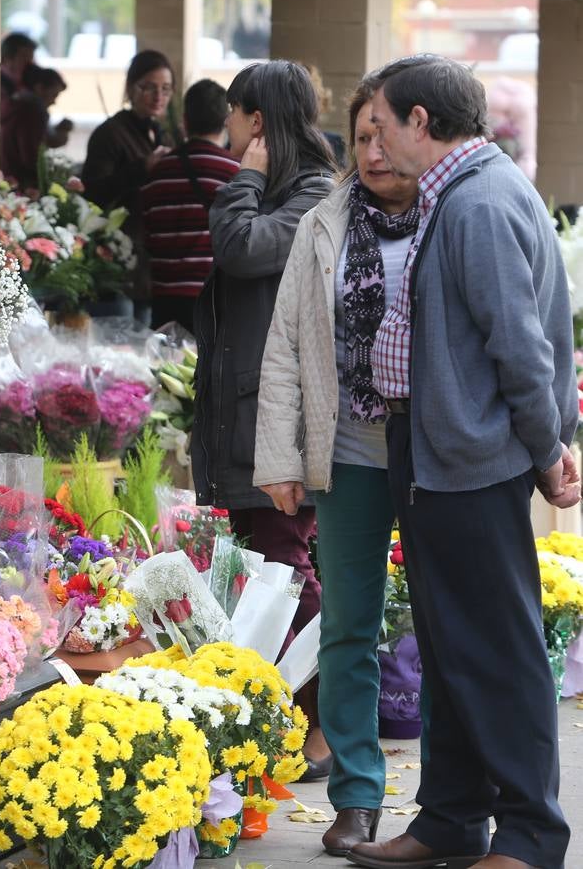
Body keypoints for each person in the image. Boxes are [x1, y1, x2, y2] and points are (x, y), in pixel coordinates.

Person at [348, 55, 577, 869]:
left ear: (421, 121)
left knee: (497, 649)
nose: (372, 139)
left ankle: (530, 836)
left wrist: (549, 447)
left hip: (469, 456)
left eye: (380, 123)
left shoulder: (477, 202)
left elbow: (522, 345)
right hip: (440, 449)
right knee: (449, 646)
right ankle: (450, 819)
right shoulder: (467, 188)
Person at [253, 75, 421, 857]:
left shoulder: (452, 218)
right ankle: (357, 797)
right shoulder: (322, 222)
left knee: (449, 627)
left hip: (436, 462)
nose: (374, 151)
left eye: (386, 134)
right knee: (348, 628)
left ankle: (453, 801)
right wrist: (280, 456)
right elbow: (285, 345)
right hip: (348, 455)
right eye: (360, 137)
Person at [190, 59, 336, 776]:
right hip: (246, 416)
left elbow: (240, 250)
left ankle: (325, 725)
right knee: (265, 569)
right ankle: (286, 719)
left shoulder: (310, 194)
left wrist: (245, 178)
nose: (227, 132)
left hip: (278, 423)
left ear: (259, 121)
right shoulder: (287, 192)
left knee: (289, 567)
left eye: (235, 117)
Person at [81, 49, 176, 323]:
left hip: (152, 266)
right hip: (116, 266)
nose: (159, 96)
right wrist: (142, 168)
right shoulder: (110, 133)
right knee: (118, 347)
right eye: (149, 87)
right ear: (131, 88)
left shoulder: (163, 134)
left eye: (166, 89)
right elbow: (93, 194)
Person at [138, 78, 239, 332]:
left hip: (164, 303)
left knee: (165, 369)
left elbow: (146, 233)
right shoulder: (236, 173)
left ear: (184, 121)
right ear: (226, 121)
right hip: (215, 300)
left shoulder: (157, 173)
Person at [0, 66, 71, 190]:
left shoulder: (14, 104)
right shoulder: (32, 111)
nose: (54, 102)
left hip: (6, 177)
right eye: (54, 95)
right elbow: (32, 156)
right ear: (39, 88)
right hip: (21, 183)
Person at [0, 32, 38, 121]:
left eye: (30, 59)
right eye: (24, 58)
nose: (29, 65)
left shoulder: (25, 82)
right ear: (7, 57)